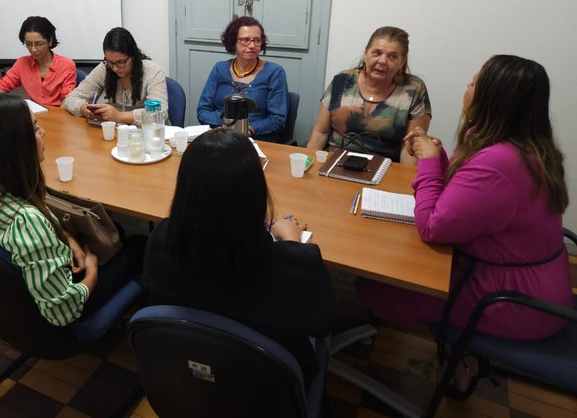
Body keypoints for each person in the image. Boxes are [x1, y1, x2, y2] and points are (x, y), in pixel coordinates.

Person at [356, 55, 571, 397]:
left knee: (375, 285)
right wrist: (438, 156)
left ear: (493, 98)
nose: (466, 88)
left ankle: (456, 356)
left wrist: (427, 162)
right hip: (523, 275)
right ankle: (461, 358)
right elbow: (463, 193)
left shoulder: (499, 161)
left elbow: (434, 227)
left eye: (473, 83)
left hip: (514, 299)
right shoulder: (508, 142)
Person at [143, 127, 335, 381]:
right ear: (255, 193)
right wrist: (292, 241)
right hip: (269, 387)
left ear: (185, 190)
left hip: (187, 377)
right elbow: (323, 324)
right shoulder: (295, 264)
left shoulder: (162, 240)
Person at [0, 93, 145, 327]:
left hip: (14, 305)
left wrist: (65, 236)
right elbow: (62, 311)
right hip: (61, 314)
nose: (43, 133)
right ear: (13, 147)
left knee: (112, 230)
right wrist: (92, 272)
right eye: (36, 128)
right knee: (139, 246)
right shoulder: (26, 221)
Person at [306, 26, 431, 164]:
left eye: (392, 56)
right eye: (376, 53)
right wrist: (308, 165)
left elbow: (409, 148)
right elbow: (321, 132)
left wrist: (403, 182)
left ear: (402, 61)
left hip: (385, 169)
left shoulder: (414, 90)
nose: (382, 61)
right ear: (365, 53)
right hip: (334, 162)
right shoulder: (342, 81)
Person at [196, 17, 288, 142]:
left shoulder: (274, 73)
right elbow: (203, 111)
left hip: (257, 139)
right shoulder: (219, 69)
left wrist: (248, 128)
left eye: (257, 40)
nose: (252, 45)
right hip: (220, 137)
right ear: (233, 41)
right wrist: (228, 123)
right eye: (245, 40)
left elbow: (278, 119)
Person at [63, 27, 168, 125]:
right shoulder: (104, 68)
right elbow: (71, 98)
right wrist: (83, 108)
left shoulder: (151, 70)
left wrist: (120, 116)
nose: (115, 68)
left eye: (121, 62)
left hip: (149, 134)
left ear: (133, 55)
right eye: (110, 62)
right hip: (117, 133)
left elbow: (160, 113)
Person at [0, 16, 77, 107]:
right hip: (35, 114)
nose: (33, 49)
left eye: (39, 44)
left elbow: (67, 100)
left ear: (50, 41)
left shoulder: (66, 65)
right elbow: (0, 88)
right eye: (28, 44)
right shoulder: (22, 63)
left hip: (58, 114)